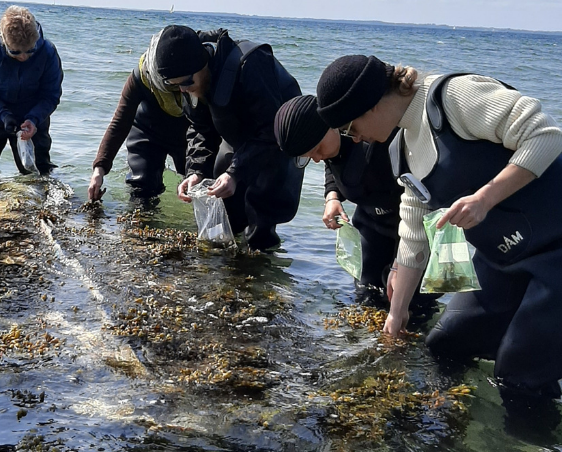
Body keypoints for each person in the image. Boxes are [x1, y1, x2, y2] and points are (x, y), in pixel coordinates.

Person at [314, 54, 562, 402]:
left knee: (520, 377)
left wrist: (485, 198)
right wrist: (397, 313)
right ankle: (450, 427)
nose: (354, 139)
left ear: (368, 106)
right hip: (505, 260)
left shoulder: (453, 99)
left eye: (349, 128)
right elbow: (414, 237)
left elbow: (545, 135)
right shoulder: (401, 150)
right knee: (445, 346)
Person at [273, 94, 440, 316]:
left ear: (330, 126)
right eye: (308, 156)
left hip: (412, 229)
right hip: (371, 224)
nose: (316, 158)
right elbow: (331, 164)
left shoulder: (373, 139)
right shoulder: (329, 147)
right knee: (366, 297)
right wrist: (332, 197)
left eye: (317, 148)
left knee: (413, 305)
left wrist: (401, 263)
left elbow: (419, 201)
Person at [164, 25, 304, 251]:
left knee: (259, 225)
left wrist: (236, 172)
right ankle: (229, 272)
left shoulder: (250, 63)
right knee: (224, 210)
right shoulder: (190, 83)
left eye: (186, 83)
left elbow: (269, 131)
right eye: (174, 85)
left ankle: (261, 274)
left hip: (279, 140)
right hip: (238, 136)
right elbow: (200, 129)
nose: (182, 90)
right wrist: (196, 171)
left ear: (203, 65)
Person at [88, 27, 189, 201]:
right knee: (142, 187)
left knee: (201, 184)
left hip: (188, 131)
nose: (179, 88)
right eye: (169, 84)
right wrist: (99, 169)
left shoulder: (193, 74)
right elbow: (120, 123)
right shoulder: (141, 76)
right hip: (148, 130)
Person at [0, 6, 63, 176]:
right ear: (4, 40)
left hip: (31, 117)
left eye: (30, 51)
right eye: (15, 52)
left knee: (39, 173)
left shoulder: (48, 52)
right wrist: (2, 114)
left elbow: (51, 95)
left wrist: (34, 119)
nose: (23, 57)